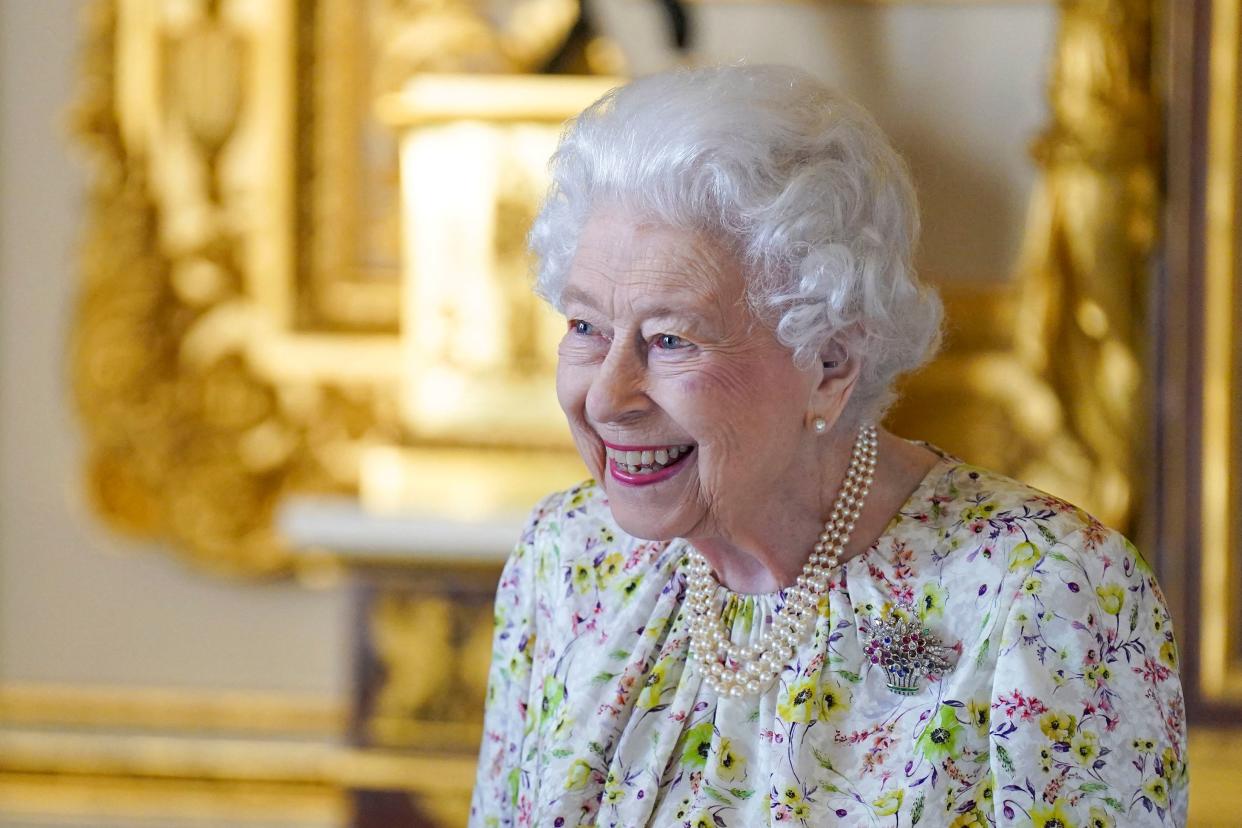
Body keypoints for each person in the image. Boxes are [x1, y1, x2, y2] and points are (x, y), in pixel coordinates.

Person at [468, 64, 1188, 827]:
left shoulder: (1045, 597)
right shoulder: (568, 561)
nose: (607, 396)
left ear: (829, 366)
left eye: (670, 340)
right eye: (586, 328)